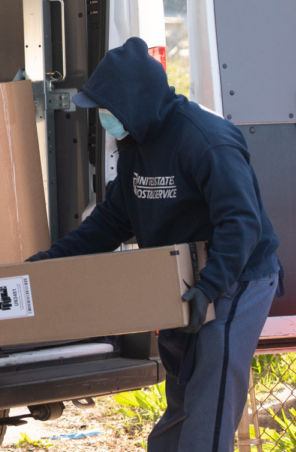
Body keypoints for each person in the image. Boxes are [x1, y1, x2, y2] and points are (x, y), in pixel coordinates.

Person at [27, 37, 280, 452]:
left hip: (236, 277)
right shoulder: (136, 146)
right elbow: (111, 221)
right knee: (182, 391)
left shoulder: (206, 141)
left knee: (210, 396)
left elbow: (242, 223)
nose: (104, 119)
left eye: (107, 109)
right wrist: (46, 265)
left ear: (135, 100)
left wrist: (210, 287)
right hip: (184, 276)